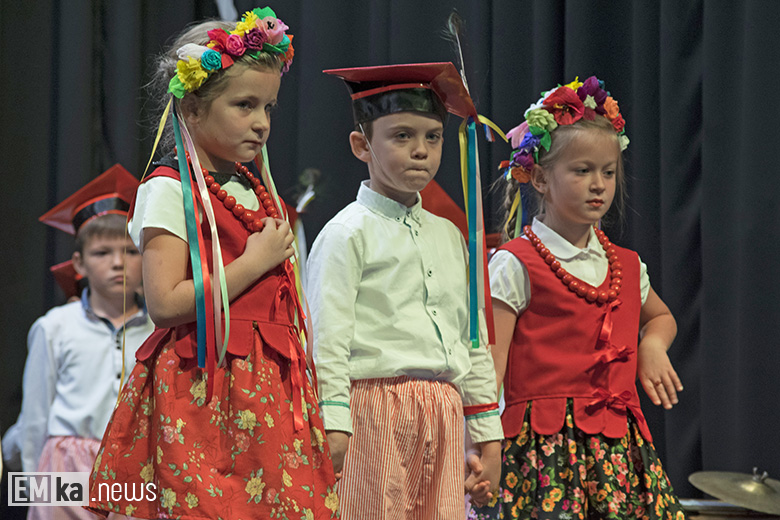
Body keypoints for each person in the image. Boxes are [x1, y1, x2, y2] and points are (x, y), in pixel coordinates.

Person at [86, 7, 339, 519]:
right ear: (193, 108)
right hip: (206, 389)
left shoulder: (250, 186)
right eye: (244, 105)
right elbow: (163, 302)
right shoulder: (168, 187)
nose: (262, 123)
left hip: (266, 389)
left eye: (268, 106)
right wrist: (253, 262)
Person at [472, 76, 687, 519]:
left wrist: (652, 343)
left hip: (618, 456)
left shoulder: (627, 265)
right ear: (540, 179)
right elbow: (488, 370)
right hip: (541, 456)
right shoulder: (516, 263)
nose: (598, 185)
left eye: (608, 172)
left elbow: (661, 316)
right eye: (582, 171)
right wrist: (482, 444)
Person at [309, 62, 504, 519]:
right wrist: (334, 422)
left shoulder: (450, 235)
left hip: (442, 413)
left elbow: (471, 337)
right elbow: (328, 340)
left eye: (432, 137)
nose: (421, 151)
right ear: (362, 145)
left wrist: (487, 434)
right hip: (373, 413)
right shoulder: (347, 234)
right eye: (401, 136)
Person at [19, 164, 154, 520]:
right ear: (78, 263)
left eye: (130, 251)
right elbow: (34, 417)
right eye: (102, 253)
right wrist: (34, 490)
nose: (117, 264)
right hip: (66, 467)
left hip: (133, 468)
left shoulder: (161, 328)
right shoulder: (55, 327)